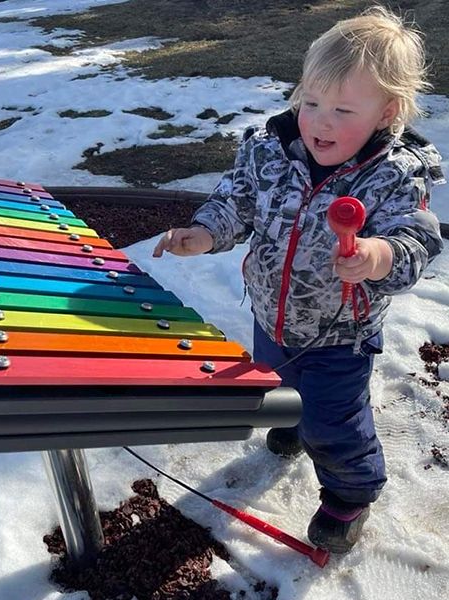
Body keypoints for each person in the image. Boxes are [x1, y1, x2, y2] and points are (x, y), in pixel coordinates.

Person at [152, 6, 444, 553]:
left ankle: (349, 493)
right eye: (309, 102)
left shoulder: (394, 175)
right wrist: (205, 233)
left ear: (387, 112)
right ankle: (293, 419)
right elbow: (236, 200)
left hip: (340, 336)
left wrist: (379, 255)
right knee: (277, 384)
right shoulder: (270, 151)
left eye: (341, 109)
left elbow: (417, 239)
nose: (319, 121)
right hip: (271, 314)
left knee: (335, 425)